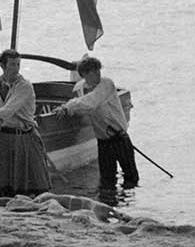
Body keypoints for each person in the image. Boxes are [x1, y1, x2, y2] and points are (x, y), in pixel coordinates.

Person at [51, 55, 139, 191]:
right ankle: (109, 204)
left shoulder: (106, 84)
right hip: (103, 141)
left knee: (131, 178)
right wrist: (65, 108)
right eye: (94, 72)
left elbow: (91, 102)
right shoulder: (79, 88)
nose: (98, 74)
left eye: (99, 71)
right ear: (85, 74)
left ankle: (128, 204)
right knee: (107, 181)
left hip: (119, 138)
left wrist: (68, 107)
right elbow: (82, 103)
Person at [0, 49, 52, 196]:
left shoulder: (25, 86)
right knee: (5, 185)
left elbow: (8, 110)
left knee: (31, 186)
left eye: (18, 64)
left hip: (23, 136)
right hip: (4, 136)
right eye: (12, 64)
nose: (16, 68)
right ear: (2, 65)